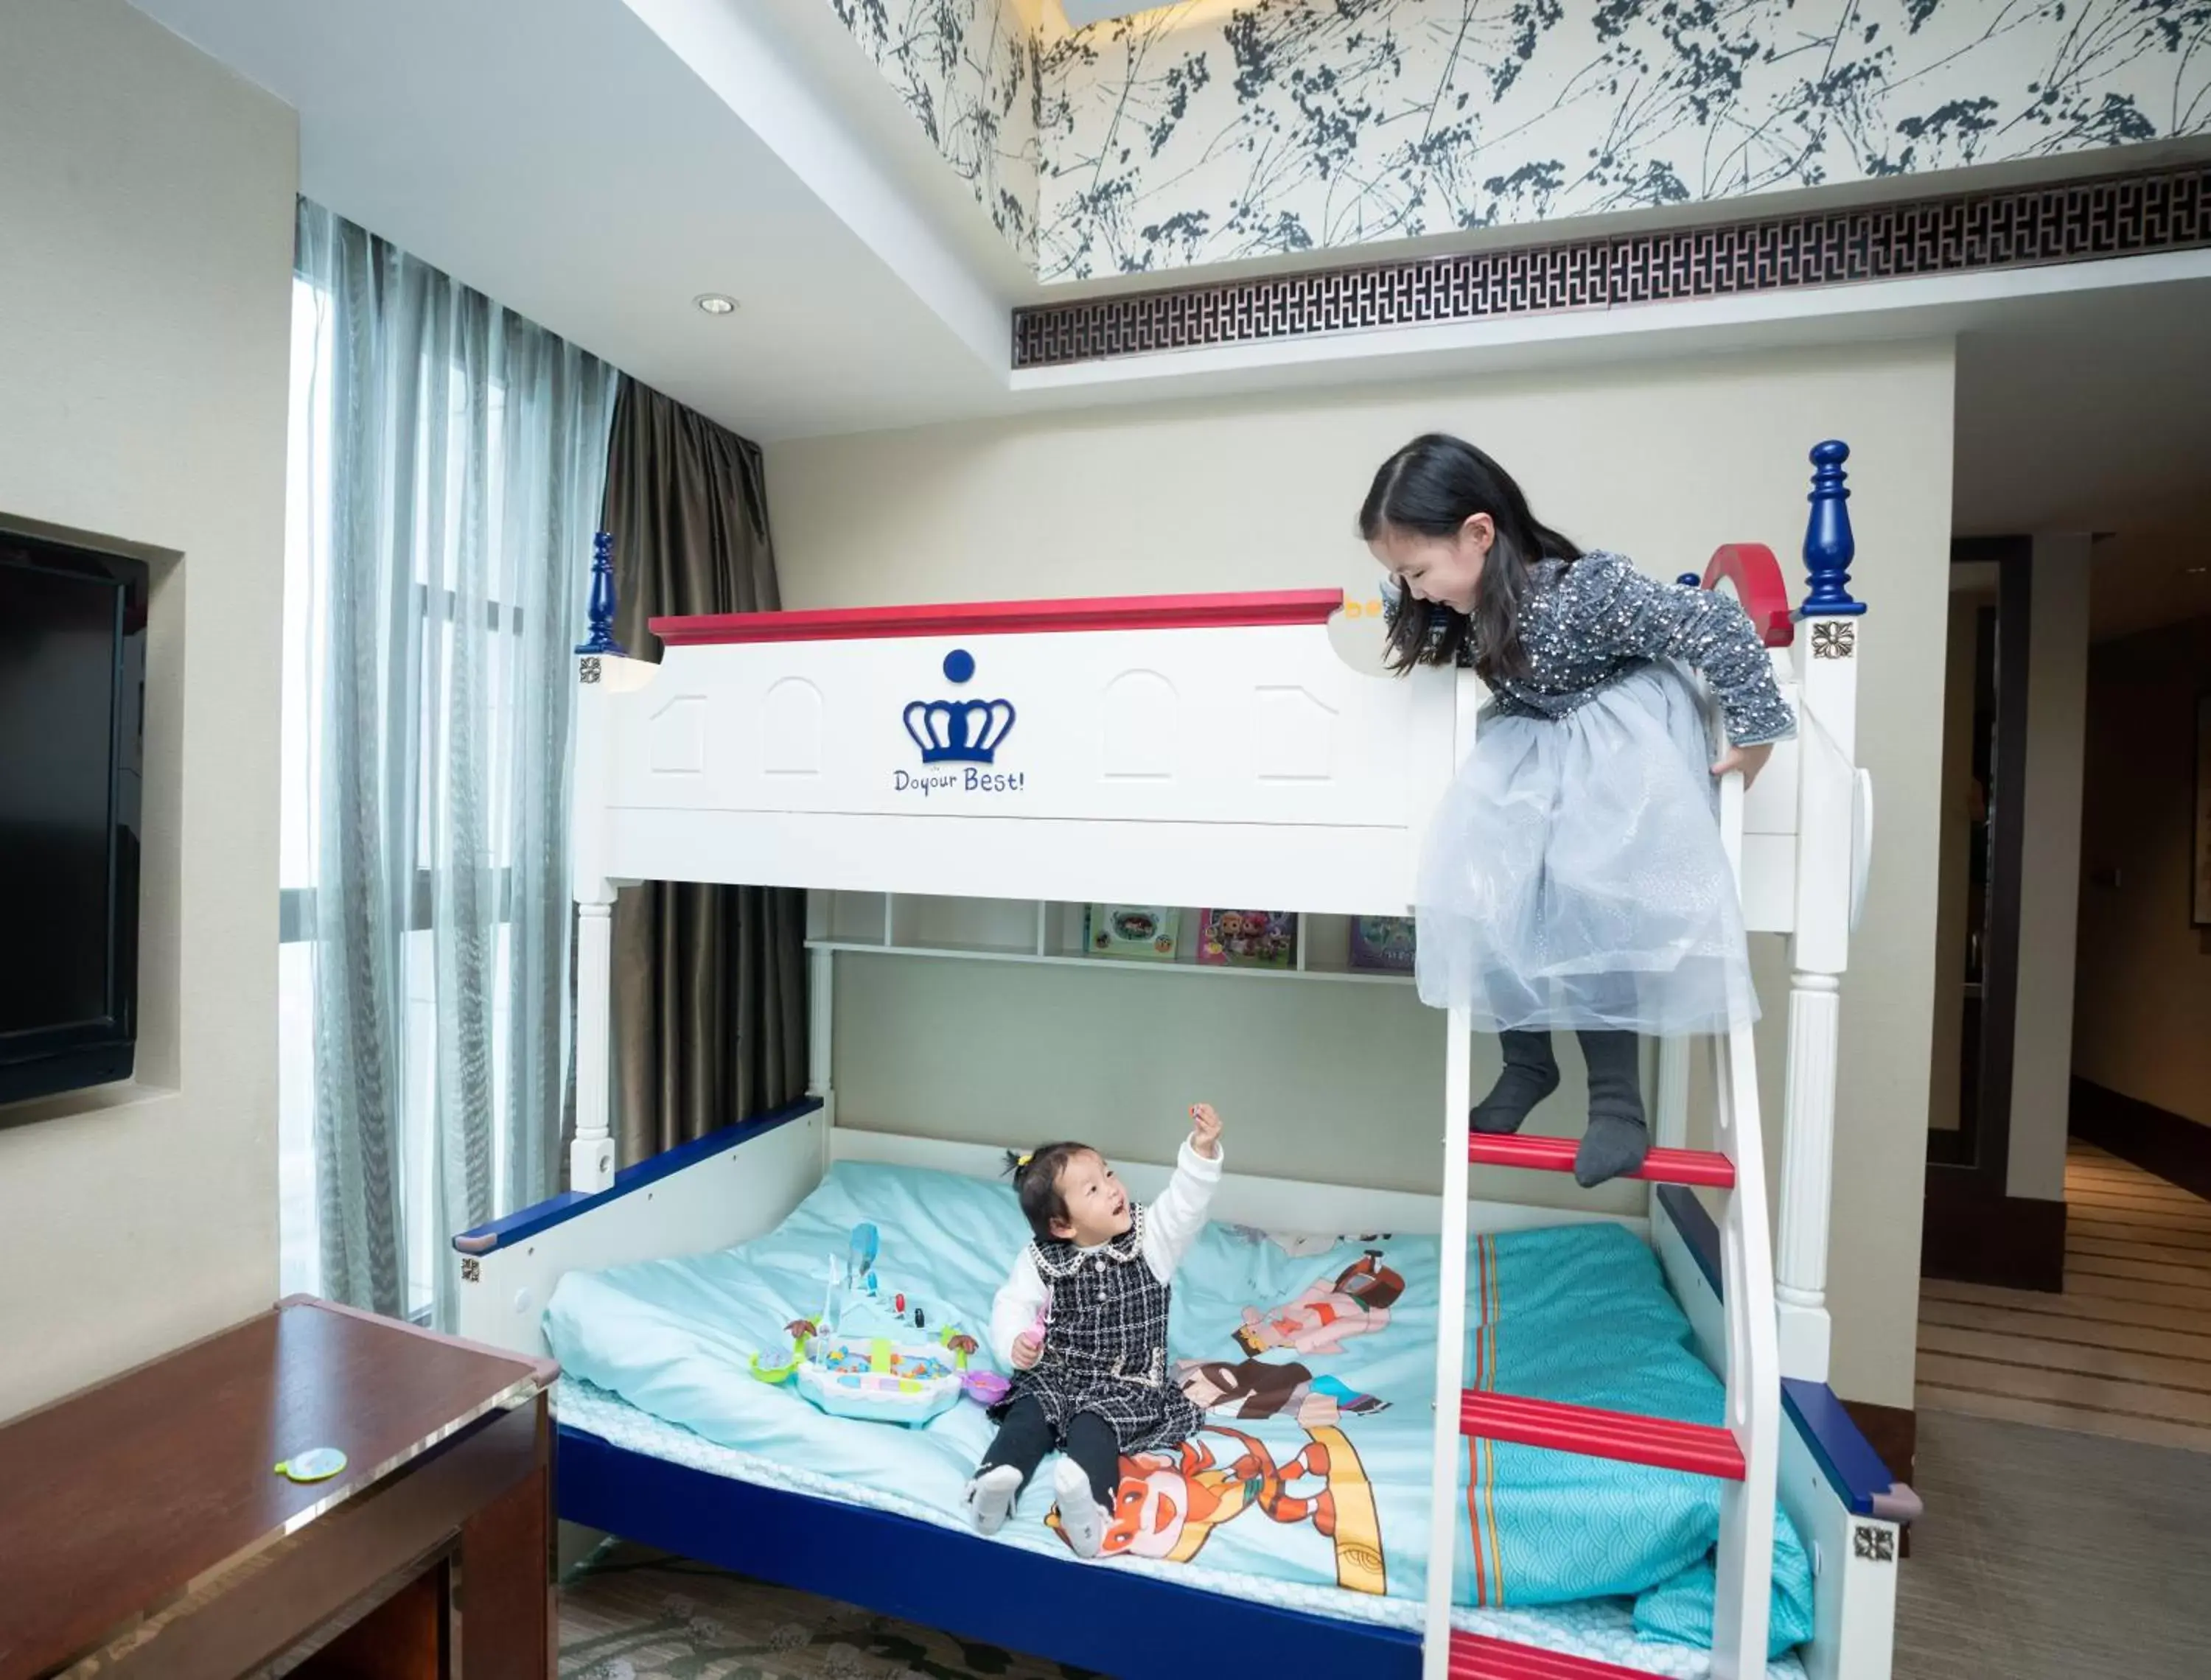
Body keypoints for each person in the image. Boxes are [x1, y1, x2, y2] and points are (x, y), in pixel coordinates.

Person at [1361, 434, 1793, 1186]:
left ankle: (1618, 1105)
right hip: (1537, 756)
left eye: (1418, 571)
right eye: (1401, 577)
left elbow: (1715, 624)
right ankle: (1528, 1066)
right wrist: (1403, 594)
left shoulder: (1585, 593)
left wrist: (1756, 733)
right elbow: (1419, 629)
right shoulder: (1468, 607)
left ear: (1479, 533)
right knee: (1486, 894)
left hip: (1612, 753)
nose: (1415, 590)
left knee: (1597, 909)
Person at [963, 1104, 1225, 1557]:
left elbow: (1185, 1206)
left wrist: (1200, 1154)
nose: (1112, 1189)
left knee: (1095, 1427)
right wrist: (1013, 1345)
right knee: (1028, 1413)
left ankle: (1089, 1508)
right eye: (1093, 1188)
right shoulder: (1041, 1259)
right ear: (1062, 1226)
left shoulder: (1152, 1241)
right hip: (1059, 1372)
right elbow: (1012, 1303)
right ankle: (993, 1485)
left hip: (1126, 1382)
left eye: (1108, 1174)